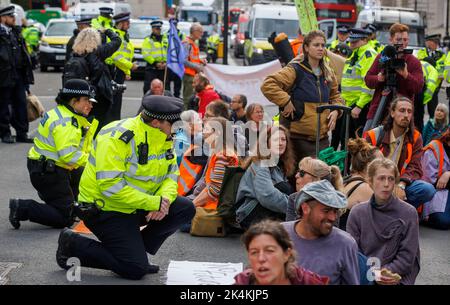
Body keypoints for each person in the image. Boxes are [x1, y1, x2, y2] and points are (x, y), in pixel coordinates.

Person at [55, 95, 196, 280]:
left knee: (185, 208)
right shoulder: (116, 137)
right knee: (134, 269)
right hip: (106, 209)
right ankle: (72, 244)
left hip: (137, 205)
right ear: (156, 122)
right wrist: (154, 201)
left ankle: (134, 250)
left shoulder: (165, 136)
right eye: (175, 125)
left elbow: (171, 174)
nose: (179, 130)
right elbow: (111, 187)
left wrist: (164, 200)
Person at [9, 79, 98, 230]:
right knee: (64, 218)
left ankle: (65, 202)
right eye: (86, 101)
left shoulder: (64, 113)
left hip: (48, 167)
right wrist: (96, 163)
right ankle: (22, 207)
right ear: (73, 100)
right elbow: (69, 156)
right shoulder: (66, 123)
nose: (90, 105)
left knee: (82, 183)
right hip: (48, 172)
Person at [261, 30, 343, 164]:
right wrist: (286, 101)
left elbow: (336, 96)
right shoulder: (295, 69)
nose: (320, 48)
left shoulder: (328, 72)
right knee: (295, 179)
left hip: (321, 139)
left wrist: (336, 110)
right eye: (316, 45)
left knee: (320, 179)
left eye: (323, 45)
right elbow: (268, 84)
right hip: (296, 139)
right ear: (306, 47)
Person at [347, 158, 421, 285]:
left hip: (395, 275)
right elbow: (353, 253)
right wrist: (371, 274)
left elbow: (407, 258)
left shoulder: (409, 213)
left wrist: (384, 273)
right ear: (370, 182)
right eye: (381, 178)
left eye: (391, 179)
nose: (386, 184)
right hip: (364, 273)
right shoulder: (357, 212)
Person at [282, 180, 360, 285]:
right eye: (326, 211)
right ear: (305, 208)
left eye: (335, 211)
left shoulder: (345, 244)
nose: (333, 217)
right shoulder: (279, 235)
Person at [365, 96, 435, 209]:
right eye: (402, 110)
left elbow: (415, 167)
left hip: (399, 182)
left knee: (427, 189)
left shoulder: (416, 137)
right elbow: (362, 166)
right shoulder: (374, 135)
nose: (406, 115)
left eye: (409, 111)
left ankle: (399, 211)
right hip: (376, 182)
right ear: (392, 113)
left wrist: (402, 184)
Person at [364, 23, 424, 130]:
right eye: (398, 39)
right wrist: (379, 78)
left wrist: (406, 75)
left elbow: (418, 87)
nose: (402, 43)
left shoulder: (413, 62)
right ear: (391, 40)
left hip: (403, 113)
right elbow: (368, 80)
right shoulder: (382, 57)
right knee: (368, 139)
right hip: (379, 109)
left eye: (405, 40)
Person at [235, 125, 295, 229]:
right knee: (284, 187)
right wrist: (294, 206)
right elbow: (267, 196)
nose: (281, 143)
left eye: (283, 139)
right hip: (248, 215)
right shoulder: (260, 164)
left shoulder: (279, 164)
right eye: (276, 139)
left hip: (263, 211)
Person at [234, 219, 329, 285]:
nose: (261, 258)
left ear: (286, 254)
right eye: (254, 252)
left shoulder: (308, 281)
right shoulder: (243, 283)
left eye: (269, 251)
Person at [70, 27, 121, 132]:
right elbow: (117, 41)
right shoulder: (99, 51)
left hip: (80, 95)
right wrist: (107, 31)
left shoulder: (75, 53)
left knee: (82, 124)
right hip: (98, 95)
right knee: (98, 126)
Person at [0, 5, 34, 143]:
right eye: (11, 16)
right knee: (3, 107)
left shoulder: (16, 32)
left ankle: (22, 133)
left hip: (18, 75)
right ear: (2, 18)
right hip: (3, 76)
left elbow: (23, 54)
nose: (14, 19)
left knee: (21, 105)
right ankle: (5, 133)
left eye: (13, 16)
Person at [338, 28, 377, 147]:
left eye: (355, 42)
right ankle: (347, 165)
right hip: (349, 104)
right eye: (350, 42)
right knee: (346, 140)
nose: (351, 44)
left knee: (358, 143)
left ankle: (355, 165)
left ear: (365, 40)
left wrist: (359, 106)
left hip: (360, 106)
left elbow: (369, 84)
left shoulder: (368, 55)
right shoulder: (356, 53)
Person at [339, 138, 383, 230]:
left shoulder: (348, 179)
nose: (384, 165)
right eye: (381, 162)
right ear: (369, 165)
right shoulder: (365, 189)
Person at [285, 157, 343, 221]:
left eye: (302, 173)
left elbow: (330, 229)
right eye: (298, 171)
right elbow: (289, 228)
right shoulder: (293, 198)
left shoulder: (332, 201)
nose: (296, 175)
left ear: (317, 179)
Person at [106, 12, 137, 122]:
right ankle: (110, 124)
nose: (129, 25)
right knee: (112, 101)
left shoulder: (124, 35)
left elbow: (126, 56)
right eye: (127, 22)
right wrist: (130, 66)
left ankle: (115, 122)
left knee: (117, 100)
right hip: (112, 70)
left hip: (120, 71)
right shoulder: (114, 34)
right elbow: (115, 56)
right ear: (121, 23)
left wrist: (127, 71)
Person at [420, 129, 450, 230]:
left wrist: (448, 174)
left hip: (446, 189)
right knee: (442, 221)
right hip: (435, 192)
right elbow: (428, 182)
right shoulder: (434, 148)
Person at [417, 34, 446, 117]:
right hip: (423, 86)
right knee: (419, 110)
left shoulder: (441, 55)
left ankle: (432, 126)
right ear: (428, 43)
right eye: (434, 42)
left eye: (437, 43)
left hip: (435, 87)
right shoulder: (422, 53)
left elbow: (443, 70)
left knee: (433, 111)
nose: (436, 45)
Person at [183, 23, 207, 108]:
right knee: (188, 99)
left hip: (192, 75)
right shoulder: (187, 43)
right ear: (194, 32)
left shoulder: (192, 43)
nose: (201, 34)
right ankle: (185, 118)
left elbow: (193, 58)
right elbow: (184, 61)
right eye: (200, 32)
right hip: (188, 74)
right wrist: (198, 67)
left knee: (192, 98)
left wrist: (201, 61)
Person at [142, 20, 166, 95]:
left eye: (159, 28)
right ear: (152, 29)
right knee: (148, 89)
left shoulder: (165, 39)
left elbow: (168, 53)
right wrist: (156, 63)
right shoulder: (148, 40)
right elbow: (146, 54)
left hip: (163, 68)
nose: (158, 30)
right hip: (152, 68)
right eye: (156, 28)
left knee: (163, 88)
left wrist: (165, 63)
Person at [414, 59, 439, 132]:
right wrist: (422, 102)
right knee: (419, 117)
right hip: (420, 87)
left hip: (411, 82)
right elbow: (430, 89)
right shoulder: (433, 70)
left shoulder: (419, 62)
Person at [163, 18, 184, 98]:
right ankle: (168, 97)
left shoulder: (181, 35)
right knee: (167, 82)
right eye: (172, 24)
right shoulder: (165, 35)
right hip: (169, 63)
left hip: (177, 62)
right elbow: (164, 49)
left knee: (177, 83)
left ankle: (177, 98)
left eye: (175, 24)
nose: (174, 26)